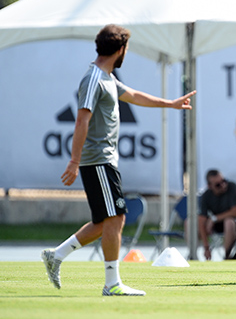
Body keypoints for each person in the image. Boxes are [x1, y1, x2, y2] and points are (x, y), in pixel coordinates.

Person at [41, 24, 196, 296]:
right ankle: (111, 284)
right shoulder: (93, 79)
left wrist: (170, 104)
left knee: (105, 222)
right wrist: (74, 161)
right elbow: (81, 120)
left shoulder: (107, 78)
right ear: (120, 49)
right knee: (117, 217)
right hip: (98, 160)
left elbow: (134, 96)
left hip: (104, 161)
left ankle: (56, 255)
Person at [198, 169, 236, 260]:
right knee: (189, 222)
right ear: (210, 186)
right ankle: (192, 256)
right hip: (219, 225)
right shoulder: (206, 195)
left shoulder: (233, 187)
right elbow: (201, 219)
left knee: (229, 221)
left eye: (224, 181)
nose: (223, 185)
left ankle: (226, 257)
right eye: (218, 185)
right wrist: (206, 247)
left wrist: (214, 218)